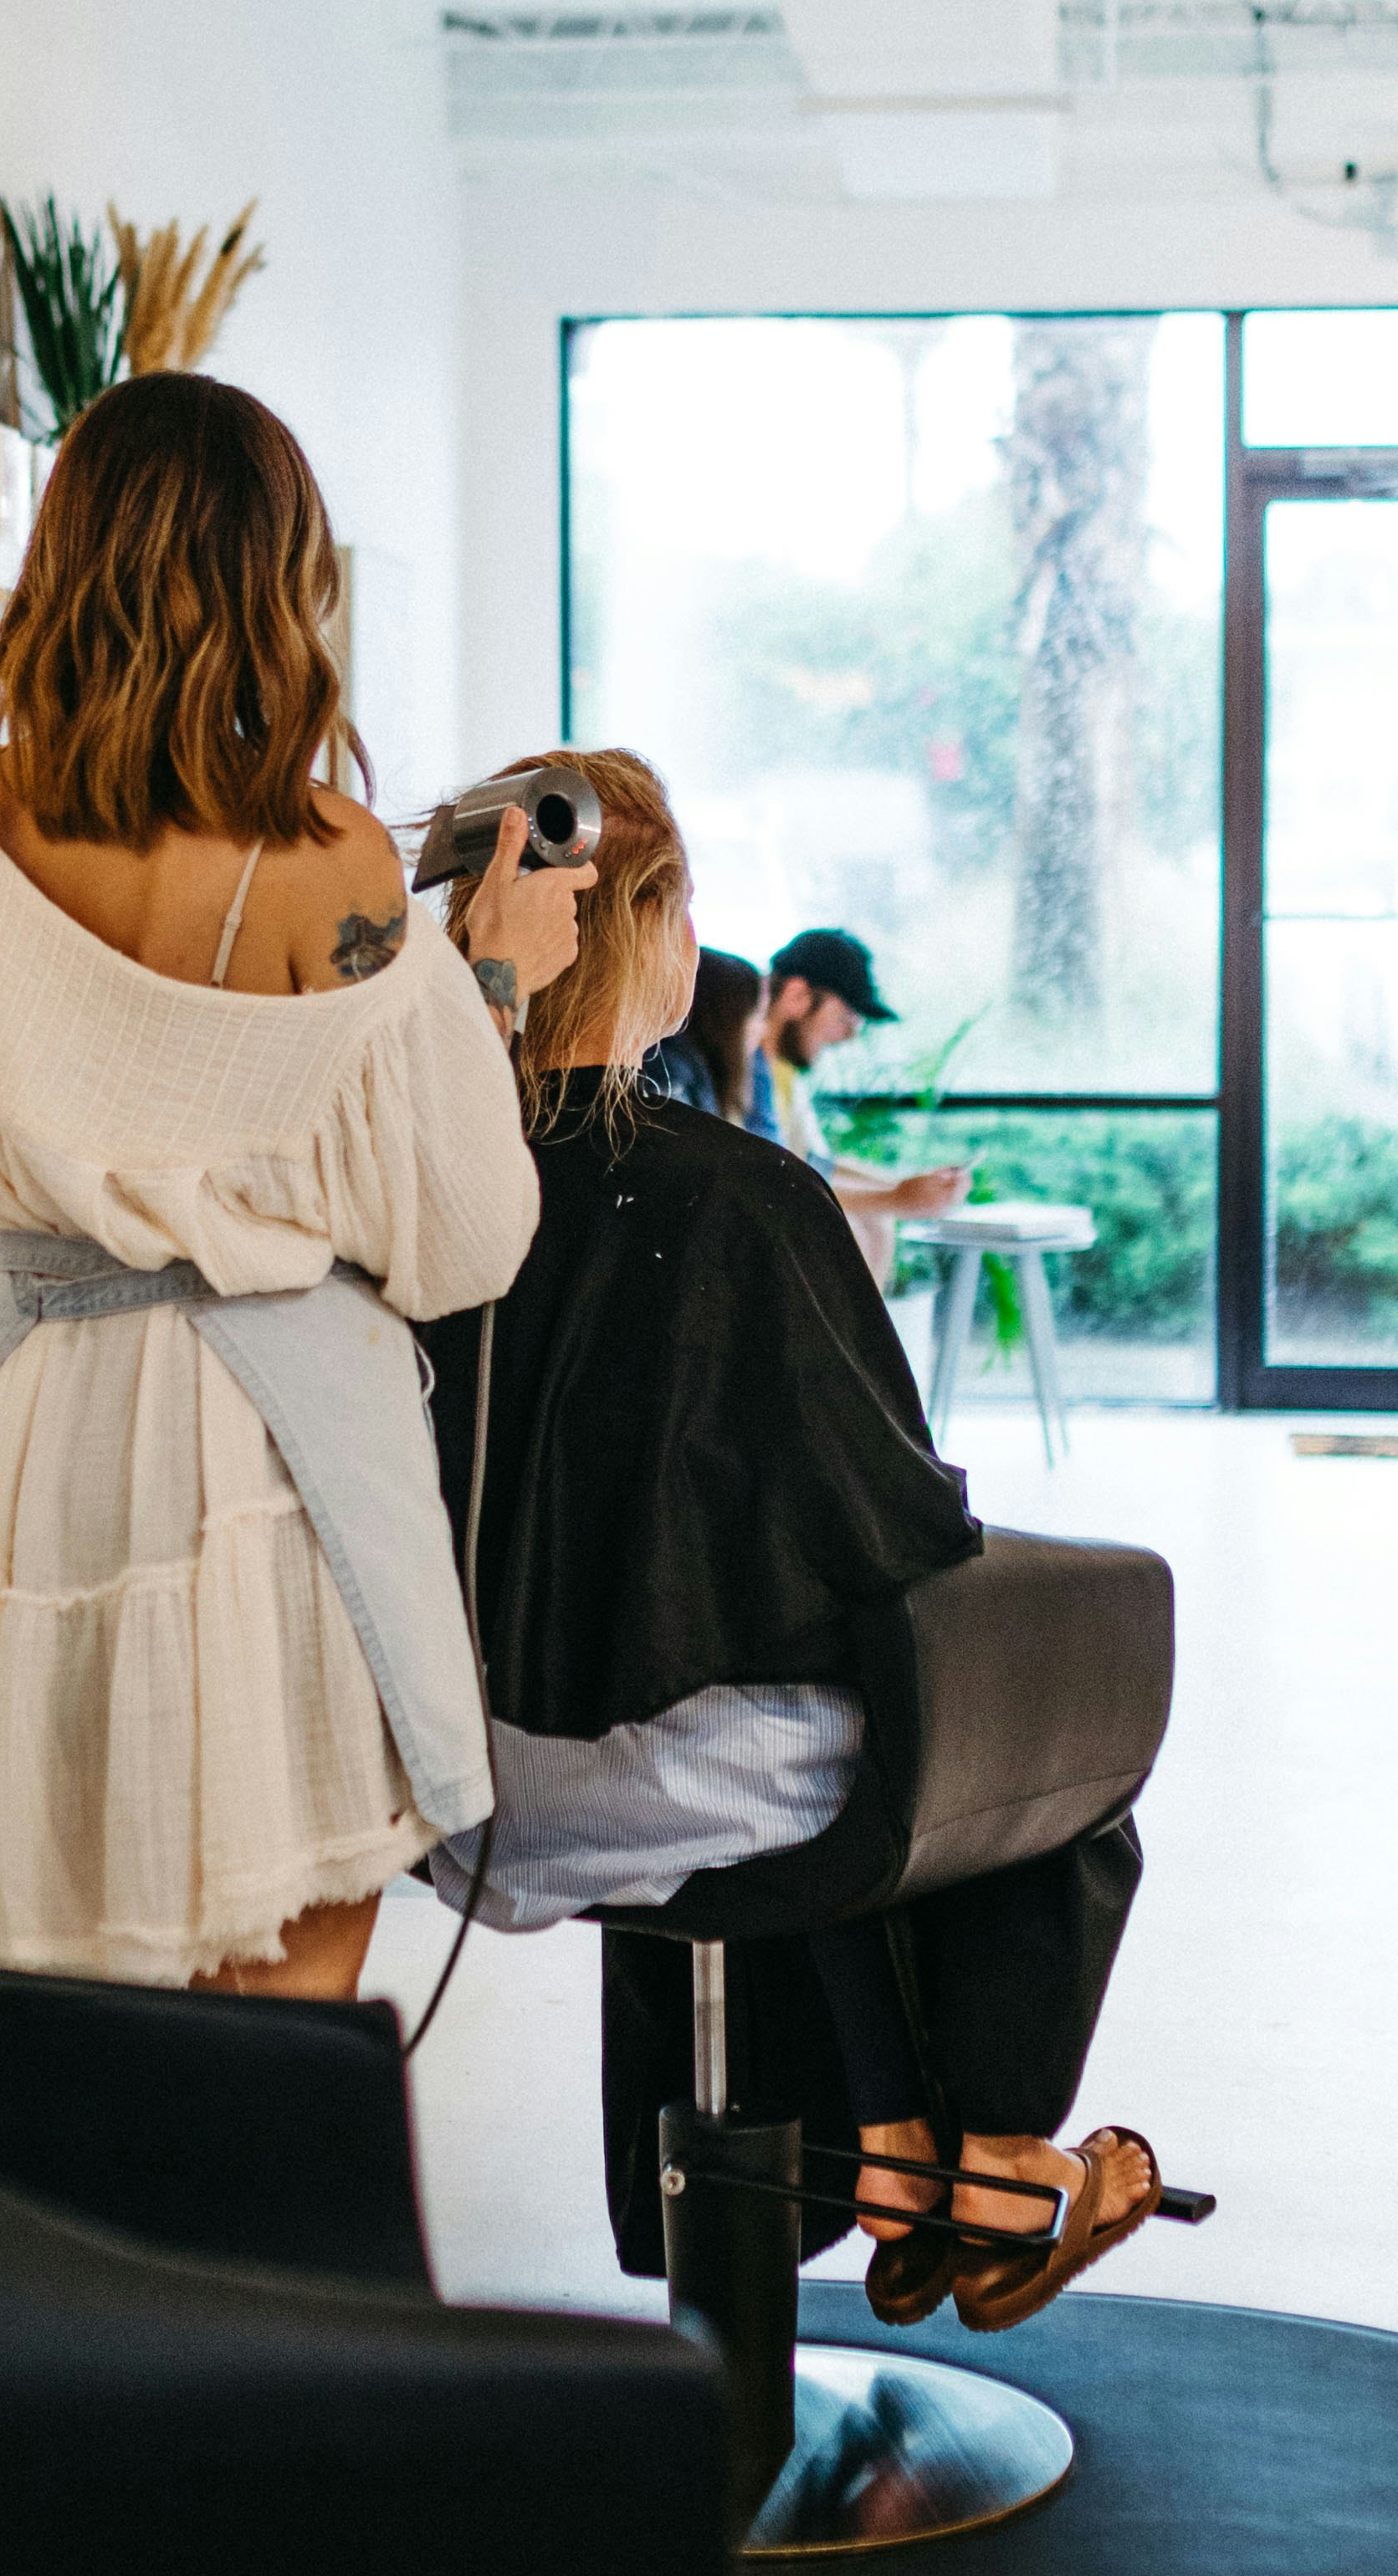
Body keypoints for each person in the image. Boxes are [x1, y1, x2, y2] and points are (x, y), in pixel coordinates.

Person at [0, 372, 590, 2003]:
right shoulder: (328, 857)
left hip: (36, 1432)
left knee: (54, 1983)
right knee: (279, 2002)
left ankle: (71, 2262)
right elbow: (464, 1231)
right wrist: (484, 988)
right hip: (260, 1460)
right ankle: (250, 2263)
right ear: (282, 581)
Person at [425, 749, 1157, 2334]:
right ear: (663, 932)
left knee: (790, 1683)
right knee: (986, 1720)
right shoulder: (742, 1196)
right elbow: (890, 1515)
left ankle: (894, 2152)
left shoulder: (416, 1182)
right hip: (667, 1777)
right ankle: (992, 2164)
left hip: (453, 1777)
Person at [760, 923, 967, 1288]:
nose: (851, 1035)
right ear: (796, 995)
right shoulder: (746, 1072)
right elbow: (774, 1182)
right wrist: (895, 1196)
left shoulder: (782, 1072)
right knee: (855, 1224)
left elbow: (811, 1164)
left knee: (875, 1221)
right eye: (844, 1017)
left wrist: (906, 1189)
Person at [648, 943, 770, 1128]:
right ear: (729, 1019)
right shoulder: (672, 1077)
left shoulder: (685, 1072)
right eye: (757, 1014)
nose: (763, 1029)